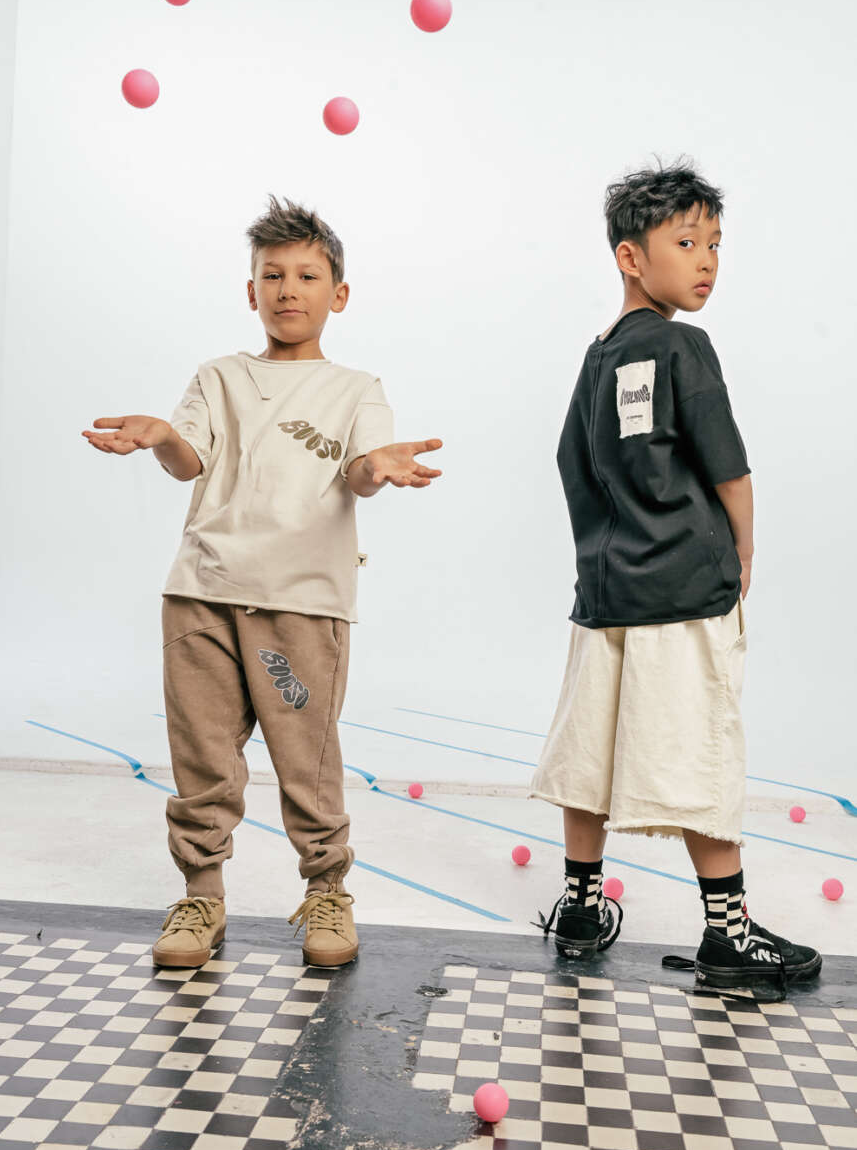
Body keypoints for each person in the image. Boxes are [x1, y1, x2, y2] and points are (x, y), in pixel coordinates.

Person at [83, 196, 442, 970]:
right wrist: (162, 437)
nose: (288, 289)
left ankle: (327, 890)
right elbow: (189, 459)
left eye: (307, 276)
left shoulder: (355, 388)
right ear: (251, 291)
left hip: (302, 603)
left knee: (306, 761)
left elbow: (360, 469)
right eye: (272, 275)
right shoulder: (218, 377)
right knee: (203, 759)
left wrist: (377, 469)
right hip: (202, 593)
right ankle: (201, 897)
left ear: (338, 293)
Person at [531, 159, 820, 1001]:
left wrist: (603, 552)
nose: (706, 261)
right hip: (684, 589)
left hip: (607, 594)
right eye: (686, 242)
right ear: (630, 257)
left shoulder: (598, 358)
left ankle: (580, 910)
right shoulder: (682, 345)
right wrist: (743, 552)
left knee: (590, 753)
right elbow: (729, 468)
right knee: (701, 755)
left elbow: (569, 462)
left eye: (714, 244)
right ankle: (727, 935)